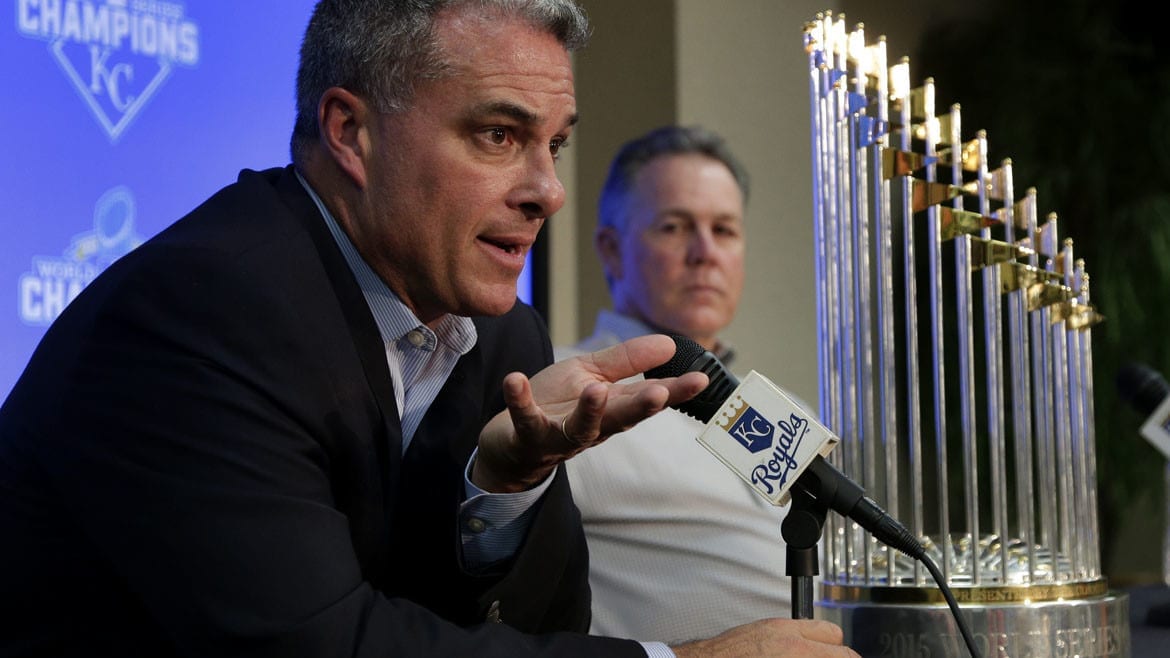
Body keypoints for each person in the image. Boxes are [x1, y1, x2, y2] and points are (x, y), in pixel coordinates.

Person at [0, 2, 856, 657]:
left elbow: (547, 626)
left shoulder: (504, 339)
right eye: (498, 134)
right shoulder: (198, 312)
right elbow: (325, 649)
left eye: (553, 144)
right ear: (350, 132)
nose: (546, 190)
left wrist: (505, 485)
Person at [559, 125, 795, 643]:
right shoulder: (567, 388)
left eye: (725, 230)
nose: (705, 252)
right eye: (674, 227)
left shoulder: (783, 408)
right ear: (612, 250)